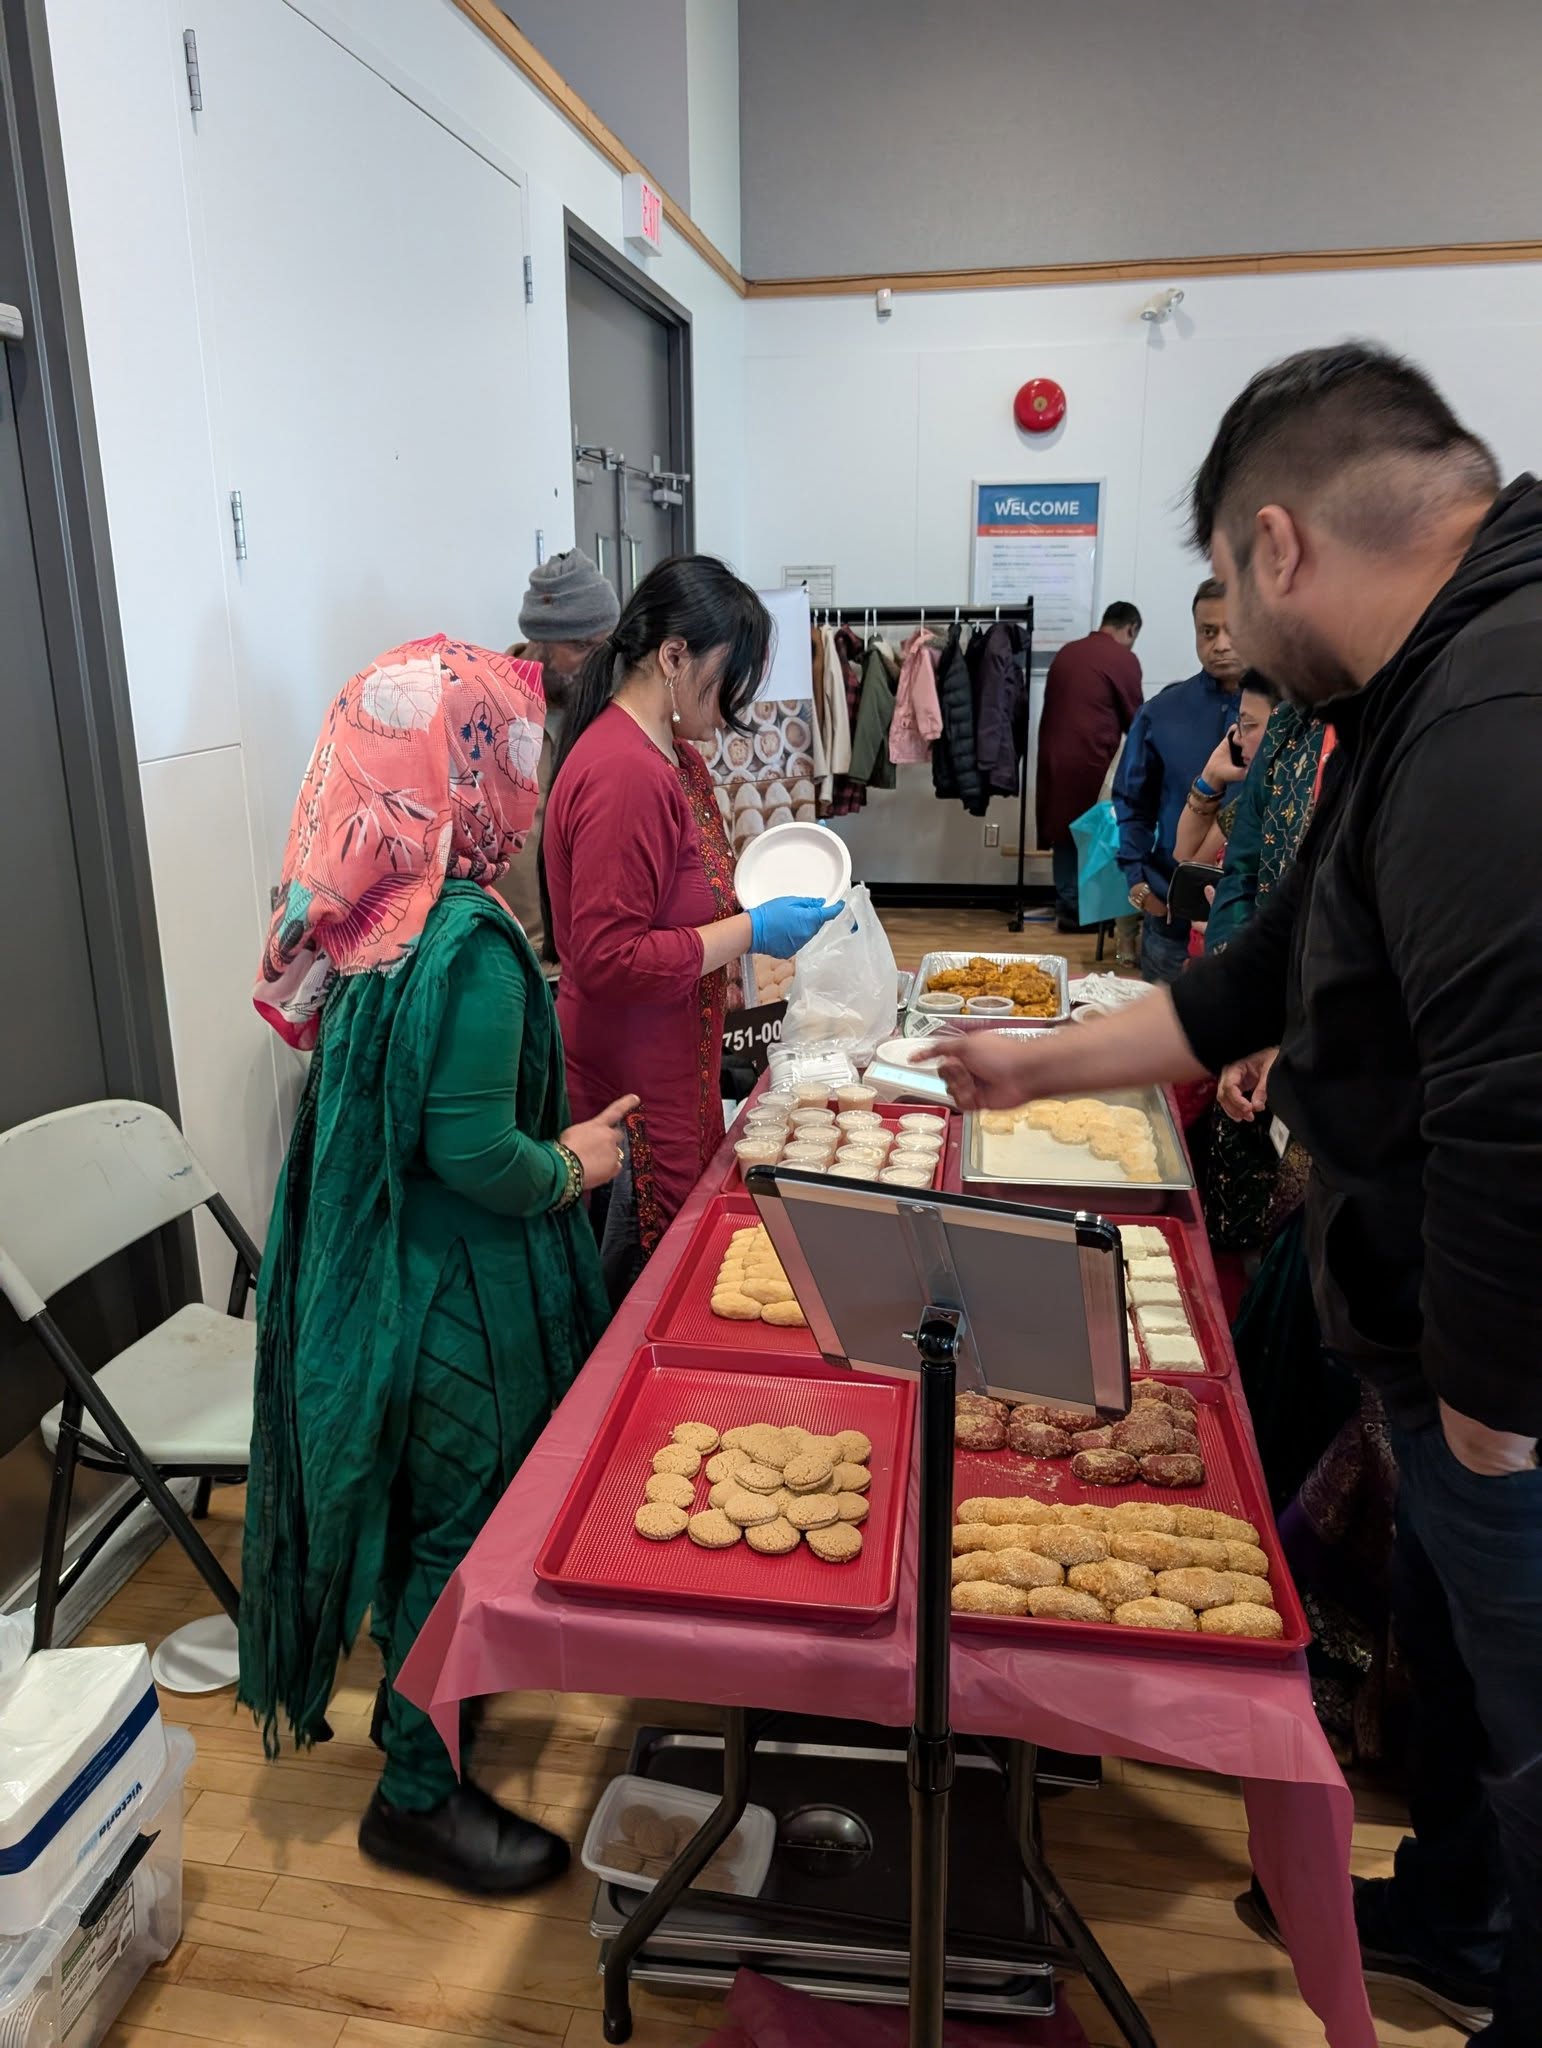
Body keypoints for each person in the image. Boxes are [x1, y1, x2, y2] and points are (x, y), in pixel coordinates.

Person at [935, 342, 1542, 2044]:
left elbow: (1514, 1113)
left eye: (1227, 583)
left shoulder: (1490, 712)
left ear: (1277, 545)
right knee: (1459, 1687)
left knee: (1528, 1719)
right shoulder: (1422, 686)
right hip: (1438, 1353)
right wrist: (1035, 1066)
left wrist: (1486, 1421)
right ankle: (1457, 1919)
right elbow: (1276, 967)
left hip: (1501, 1392)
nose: (1234, 633)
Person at [241, 637, 628, 1895]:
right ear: (469, 776)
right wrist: (574, 1161)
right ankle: (414, 1793)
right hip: (454, 1295)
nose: (530, 786)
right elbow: (474, 1152)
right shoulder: (467, 940)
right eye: (515, 758)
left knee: (422, 1517)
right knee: (456, 1529)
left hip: (385, 1282)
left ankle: (437, 1691)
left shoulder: (373, 914)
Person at [543, 556, 842, 1279]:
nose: (736, 699)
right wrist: (753, 930)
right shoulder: (624, 772)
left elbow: (682, 904)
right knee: (647, 1287)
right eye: (729, 673)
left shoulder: (678, 761)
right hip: (631, 1089)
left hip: (679, 1066)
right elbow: (609, 958)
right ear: (674, 657)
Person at [1112, 578, 1243, 981]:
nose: (1221, 644)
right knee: (1163, 1019)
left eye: (1233, 629)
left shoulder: (1290, 714)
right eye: (1208, 632)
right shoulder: (1161, 713)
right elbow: (1131, 802)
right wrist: (1138, 880)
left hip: (1257, 920)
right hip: (1172, 914)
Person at [497, 548, 619, 963]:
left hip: (583, 953)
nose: (596, 662)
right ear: (541, 641)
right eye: (581, 646)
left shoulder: (607, 708)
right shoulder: (484, 709)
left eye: (604, 645)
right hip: (508, 952)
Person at [1036, 600, 1144, 929]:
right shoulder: (1122, 658)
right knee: (1097, 831)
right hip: (1092, 759)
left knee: (1063, 831)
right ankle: (1090, 912)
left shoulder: (1067, 652)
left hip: (1054, 758)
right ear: (1131, 629)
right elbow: (1137, 720)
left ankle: (1067, 905)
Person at [1170, 674, 1277, 868]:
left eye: (1248, 725)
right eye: (1239, 724)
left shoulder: (1294, 802)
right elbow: (1188, 862)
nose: (1235, 737)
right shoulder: (1256, 795)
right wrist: (1210, 778)